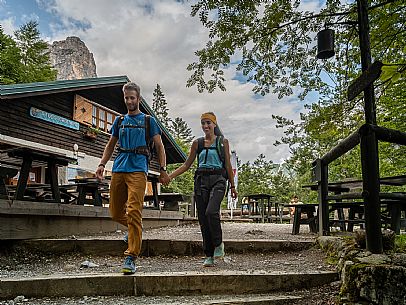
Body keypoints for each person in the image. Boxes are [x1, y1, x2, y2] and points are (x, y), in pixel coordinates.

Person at [95, 82, 170, 274]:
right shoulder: (119, 121)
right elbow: (110, 145)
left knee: (134, 210)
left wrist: (163, 169)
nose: (129, 101)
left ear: (138, 99)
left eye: (132, 98)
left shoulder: (148, 121)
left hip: (138, 169)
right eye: (126, 98)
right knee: (114, 212)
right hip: (119, 167)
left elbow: (160, 146)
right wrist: (102, 164)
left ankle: (131, 257)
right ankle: (133, 231)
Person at [165, 112, 237, 267]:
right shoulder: (197, 143)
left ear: (214, 124)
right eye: (203, 123)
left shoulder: (222, 142)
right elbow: (186, 165)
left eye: (208, 123)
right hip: (201, 181)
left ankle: (218, 244)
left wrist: (232, 186)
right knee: (203, 220)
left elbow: (228, 166)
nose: (205, 126)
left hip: (218, 180)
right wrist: (169, 177)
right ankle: (209, 255)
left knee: (211, 212)